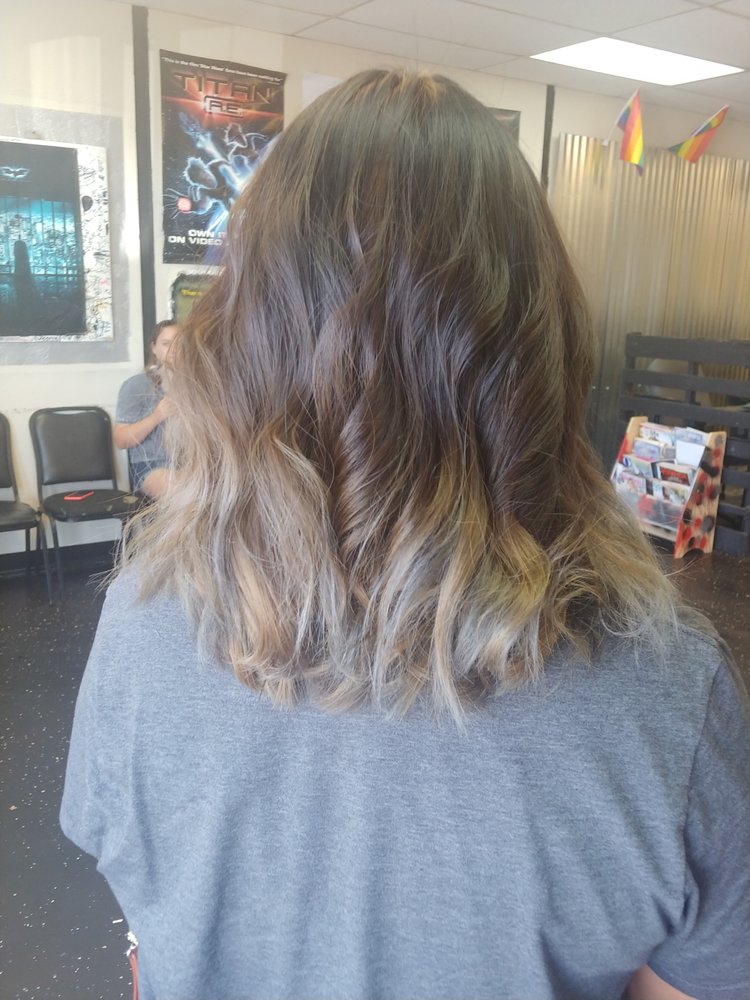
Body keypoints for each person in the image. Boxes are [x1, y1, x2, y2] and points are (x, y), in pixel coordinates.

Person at [61, 70, 749, 1000]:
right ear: (541, 347)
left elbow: (151, 937)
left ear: (244, 339)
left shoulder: (141, 629)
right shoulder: (666, 693)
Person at [113, 319, 180, 497]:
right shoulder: (136, 386)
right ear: (154, 348)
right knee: (184, 493)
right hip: (152, 465)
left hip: (193, 464)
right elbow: (121, 440)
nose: (174, 349)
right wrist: (158, 415)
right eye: (166, 344)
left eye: (180, 343)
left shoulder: (198, 386)